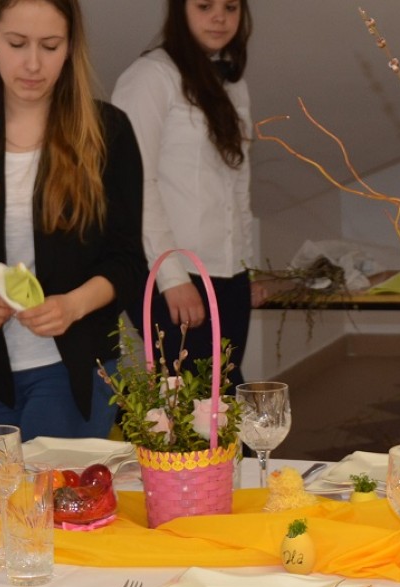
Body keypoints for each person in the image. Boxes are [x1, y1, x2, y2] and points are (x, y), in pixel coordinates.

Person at [0, 0, 146, 440]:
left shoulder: (107, 132)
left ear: (70, 46)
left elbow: (128, 262)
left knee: (52, 485)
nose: (33, 64)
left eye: (50, 46)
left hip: (75, 369)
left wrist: (72, 306)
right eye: (17, 43)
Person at [112, 0, 254, 387]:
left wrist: (248, 265)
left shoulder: (234, 83)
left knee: (223, 394)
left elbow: (238, 182)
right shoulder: (150, 77)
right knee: (189, 397)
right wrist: (171, 276)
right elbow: (134, 183)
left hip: (228, 271)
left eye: (231, 6)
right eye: (204, 5)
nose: (219, 16)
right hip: (170, 271)